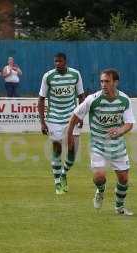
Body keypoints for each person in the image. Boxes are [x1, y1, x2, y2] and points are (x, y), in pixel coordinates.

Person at [67, 69, 135, 215]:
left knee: (123, 179)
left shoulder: (124, 100)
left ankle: (119, 207)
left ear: (115, 82)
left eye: (107, 81)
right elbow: (74, 117)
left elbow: (129, 123)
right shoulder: (93, 99)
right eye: (102, 81)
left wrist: (120, 131)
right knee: (99, 177)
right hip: (98, 145)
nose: (103, 84)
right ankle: (100, 190)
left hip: (118, 146)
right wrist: (69, 137)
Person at [38, 52, 85, 194]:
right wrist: (42, 122)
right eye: (55, 62)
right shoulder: (48, 76)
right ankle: (58, 182)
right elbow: (41, 99)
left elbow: (81, 96)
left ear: (65, 61)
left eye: (59, 61)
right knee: (57, 149)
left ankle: (64, 173)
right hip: (54, 119)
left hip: (72, 117)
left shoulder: (75, 74)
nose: (57, 64)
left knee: (72, 151)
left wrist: (81, 116)